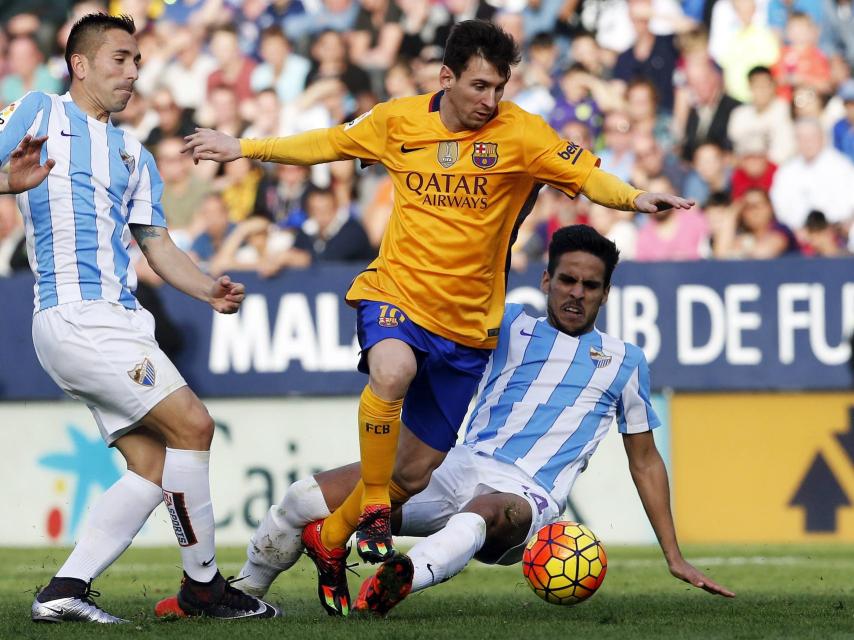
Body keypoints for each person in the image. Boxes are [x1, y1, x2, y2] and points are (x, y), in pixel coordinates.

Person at [183, 19, 693, 617]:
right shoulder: (397, 120)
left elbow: (586, 176)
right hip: (396, 294)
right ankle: (365, 514)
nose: (490, 100)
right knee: (391, 374)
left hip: (467, 330)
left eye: (499, 88)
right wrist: (243, 147)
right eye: (479, 86)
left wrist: (635, 197)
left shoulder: (522, 134)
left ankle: (332, 535)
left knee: (416, 472)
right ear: (446, 77)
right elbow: (324, 143)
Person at [226, 225, 735, 617]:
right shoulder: (507, 322)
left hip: (527, 497)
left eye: (590, 285)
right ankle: (244, 593)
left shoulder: (626, 361)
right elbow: (483, 254)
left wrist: (674, 555)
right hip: (457, 465)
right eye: (567, 280)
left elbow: (645, 462)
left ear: (606, 293)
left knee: (484, 509)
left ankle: (399, 579)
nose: (576, 293)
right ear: (547, 280)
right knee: (301, 499)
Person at [0, 13, 277, 622]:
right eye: (120, 59)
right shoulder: (37, 112)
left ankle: (64, 591)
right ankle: (204, 587)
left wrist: (207, 289)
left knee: (153, 469)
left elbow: (156, 245)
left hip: (120, 322)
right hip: (75, 315)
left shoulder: (132, 151)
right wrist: (5, 183)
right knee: (194, 425)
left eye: (137, 63)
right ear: (80, 63)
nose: (132, 73)